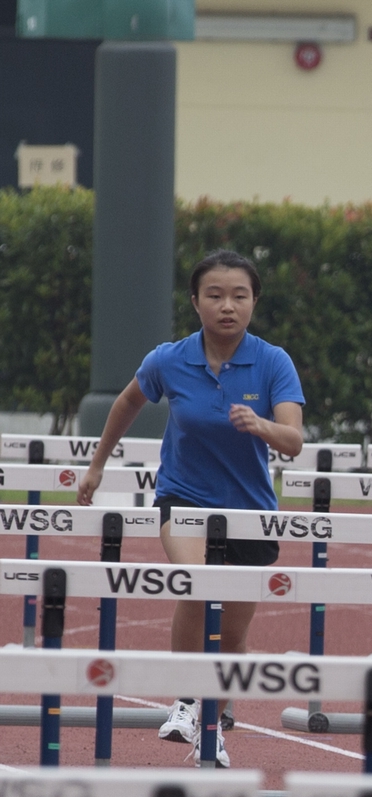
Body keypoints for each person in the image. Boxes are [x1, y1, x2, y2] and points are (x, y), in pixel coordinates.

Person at [77, 249, 305, 767]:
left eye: (239, 296)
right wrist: (97, 465)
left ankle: (212, 724)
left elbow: (293, 440)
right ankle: (185, 700)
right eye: (215, 295)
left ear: (254, 302)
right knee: (199, 583)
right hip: (184, 496)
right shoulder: (169, 359)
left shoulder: (273, 362)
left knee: (234, 632)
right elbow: (128, 402)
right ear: (196, 301)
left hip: (250, 508)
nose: (227, 306)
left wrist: (261, 425)